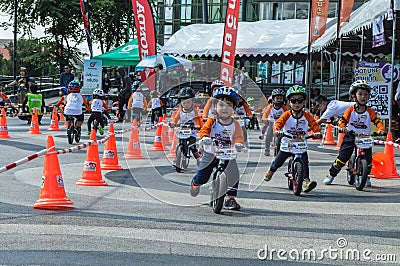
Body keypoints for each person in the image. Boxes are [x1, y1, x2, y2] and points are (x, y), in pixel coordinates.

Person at [190, 86, 245, 210]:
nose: (225, 108)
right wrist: (204, 138)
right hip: (211, 153)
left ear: (234, 108)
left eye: (229, 105)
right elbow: (205, 130)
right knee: (202, 175)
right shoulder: (212, 121)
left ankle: (230, 198)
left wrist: (239, 144)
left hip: (228, 153)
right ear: (215, 106)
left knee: (234, 174)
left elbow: (238, 136)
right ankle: (195, 183)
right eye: (221, 105)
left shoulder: (235, 124)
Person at [323, 80, 385, 187]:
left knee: (368, 159)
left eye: (366, 94)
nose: (363, 97)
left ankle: (366, 175)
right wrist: (342, 128)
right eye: (360, 94)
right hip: (351, 135)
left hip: (365, 137)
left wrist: (381, 129)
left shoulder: (370, 111)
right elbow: (342, 120)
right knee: (343, 157)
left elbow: (377, 121)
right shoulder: (350, 110)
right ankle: (331, 174)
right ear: (354, 96)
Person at [264, 85, 321, 193]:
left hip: (301, 144)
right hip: (287, 143)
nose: (297, 104)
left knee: (305, 162)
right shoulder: (286, 114)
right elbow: (279, 123)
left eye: (300, 101)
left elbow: (314, 124)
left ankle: (306, 181)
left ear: (304, 102)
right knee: (278, 161)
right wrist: (277, 131)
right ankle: (271, 171)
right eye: (293, 101)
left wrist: (317, 132)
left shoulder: (307, 115)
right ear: (289, 102)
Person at [170, 87, 202, 162]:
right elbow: (176, 118)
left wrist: (197, 125)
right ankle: (177, 157)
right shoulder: (180, 111)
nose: (186, 104)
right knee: (180, 144)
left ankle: (198, 159)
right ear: (180, 102)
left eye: (188, 102)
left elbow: (197, 119)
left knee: (192, 147)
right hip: (182, 131)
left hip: (191, 132)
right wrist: (173, 123)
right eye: (184, 103)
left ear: (192, 102)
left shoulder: (194, 112)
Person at [260, 88, 288, 156]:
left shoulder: (283, 108)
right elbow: (265, 114)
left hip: (280, 125)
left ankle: (278, 150)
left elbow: (288, 114)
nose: (279, 100)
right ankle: (267, 149)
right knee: (268, 137)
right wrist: (264, 119)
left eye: (280, 98)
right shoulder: (270, 107)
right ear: (273, 99)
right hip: (271, 123)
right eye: (277, 98)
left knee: (280, 138)